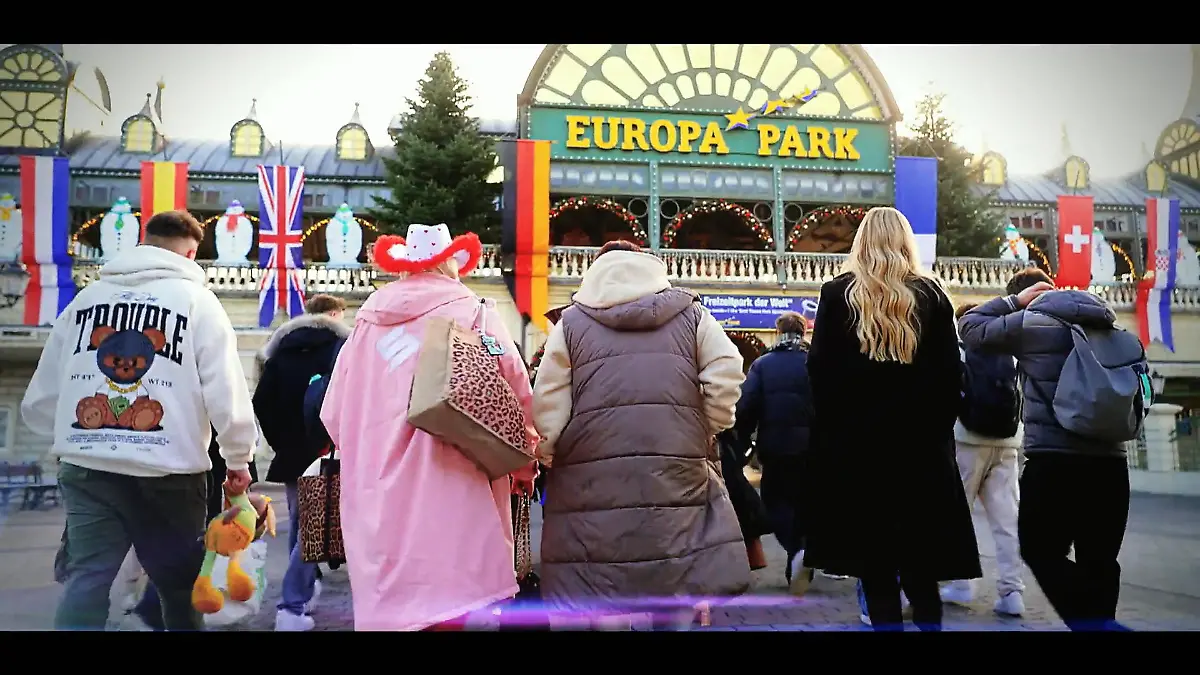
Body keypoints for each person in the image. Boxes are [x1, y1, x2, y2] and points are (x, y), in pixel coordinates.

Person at [22, 210, 258, 631]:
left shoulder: (85, 301)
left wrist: (59, 435)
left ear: (143, 242)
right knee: (178, 584)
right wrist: (238, 458)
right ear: (191, 252)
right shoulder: (198, 303)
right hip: (169, 469)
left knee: (88, 578)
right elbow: (226, 388)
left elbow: (43, 394)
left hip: (89, 464)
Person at [319, 224, 538, 632]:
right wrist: (525, 463)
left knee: (392, 606)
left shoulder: (366, 324)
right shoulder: (476, 313)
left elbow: (333, 414)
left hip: (375, 492)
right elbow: (518, 397)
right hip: (455, 481)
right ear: (452, 264)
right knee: (451, 601)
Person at [532, 239, 751, 629]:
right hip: (675, 460)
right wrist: (708, 424)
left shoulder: (572, 323)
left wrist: (550, 450)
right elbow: (727, 369)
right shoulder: (692, 315)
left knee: (603, 577)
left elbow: (547, 399)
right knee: (677, 566)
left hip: (590, 470)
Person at [800, 206, 981, 631]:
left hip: (857, 454)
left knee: (875, 568)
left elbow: (820, 374)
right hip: (921, 453)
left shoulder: (837, 293)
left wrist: (838, 434)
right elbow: (951, 377)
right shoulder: (933, 295)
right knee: (922, 569)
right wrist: (934, 432)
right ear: (906, 241)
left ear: (861, 241)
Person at [958, 268, 1135, 631]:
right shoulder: (1118, 333)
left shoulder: (1033, 325)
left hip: (1054, 460)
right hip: (1113, 463)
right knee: (1100, 560)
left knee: (1040, 549)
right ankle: (1101, 625)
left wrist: (1014, 303)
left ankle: (1096, 626)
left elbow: (971, 328)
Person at [251, 293, 350, 631]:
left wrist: (282, 442)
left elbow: (261, 401)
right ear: (335, 314)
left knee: (302, 524)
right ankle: (292, 605)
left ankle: (303, 595)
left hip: (293, 452)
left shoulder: (280, 351)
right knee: (315, 529)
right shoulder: (341, 349)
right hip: (329, 449)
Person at [128, 426, 260, 630]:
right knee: (186, 555)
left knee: (179, 551)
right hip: (199, 478)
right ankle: (154, 610)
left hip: (192, 473)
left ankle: (154, 609)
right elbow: (232, 421)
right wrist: (241, 462)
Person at [941, 301, 1026, 617]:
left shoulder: (959, 352)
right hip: (1007, 442)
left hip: (967, 440)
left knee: (955, 516)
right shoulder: (1010, 353)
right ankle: (1012, 591)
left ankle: (961, 581)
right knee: (1007, 520)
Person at [731, 311, 813, 594]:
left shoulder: (763, 365)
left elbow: (746, 407)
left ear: (778, 332)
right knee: (807, 504)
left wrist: (739, 444)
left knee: (776, 503)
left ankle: (796, 549)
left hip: (776, 448)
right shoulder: (818, 362)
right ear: (803, 332)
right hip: (814, 450)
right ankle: (801, 557)